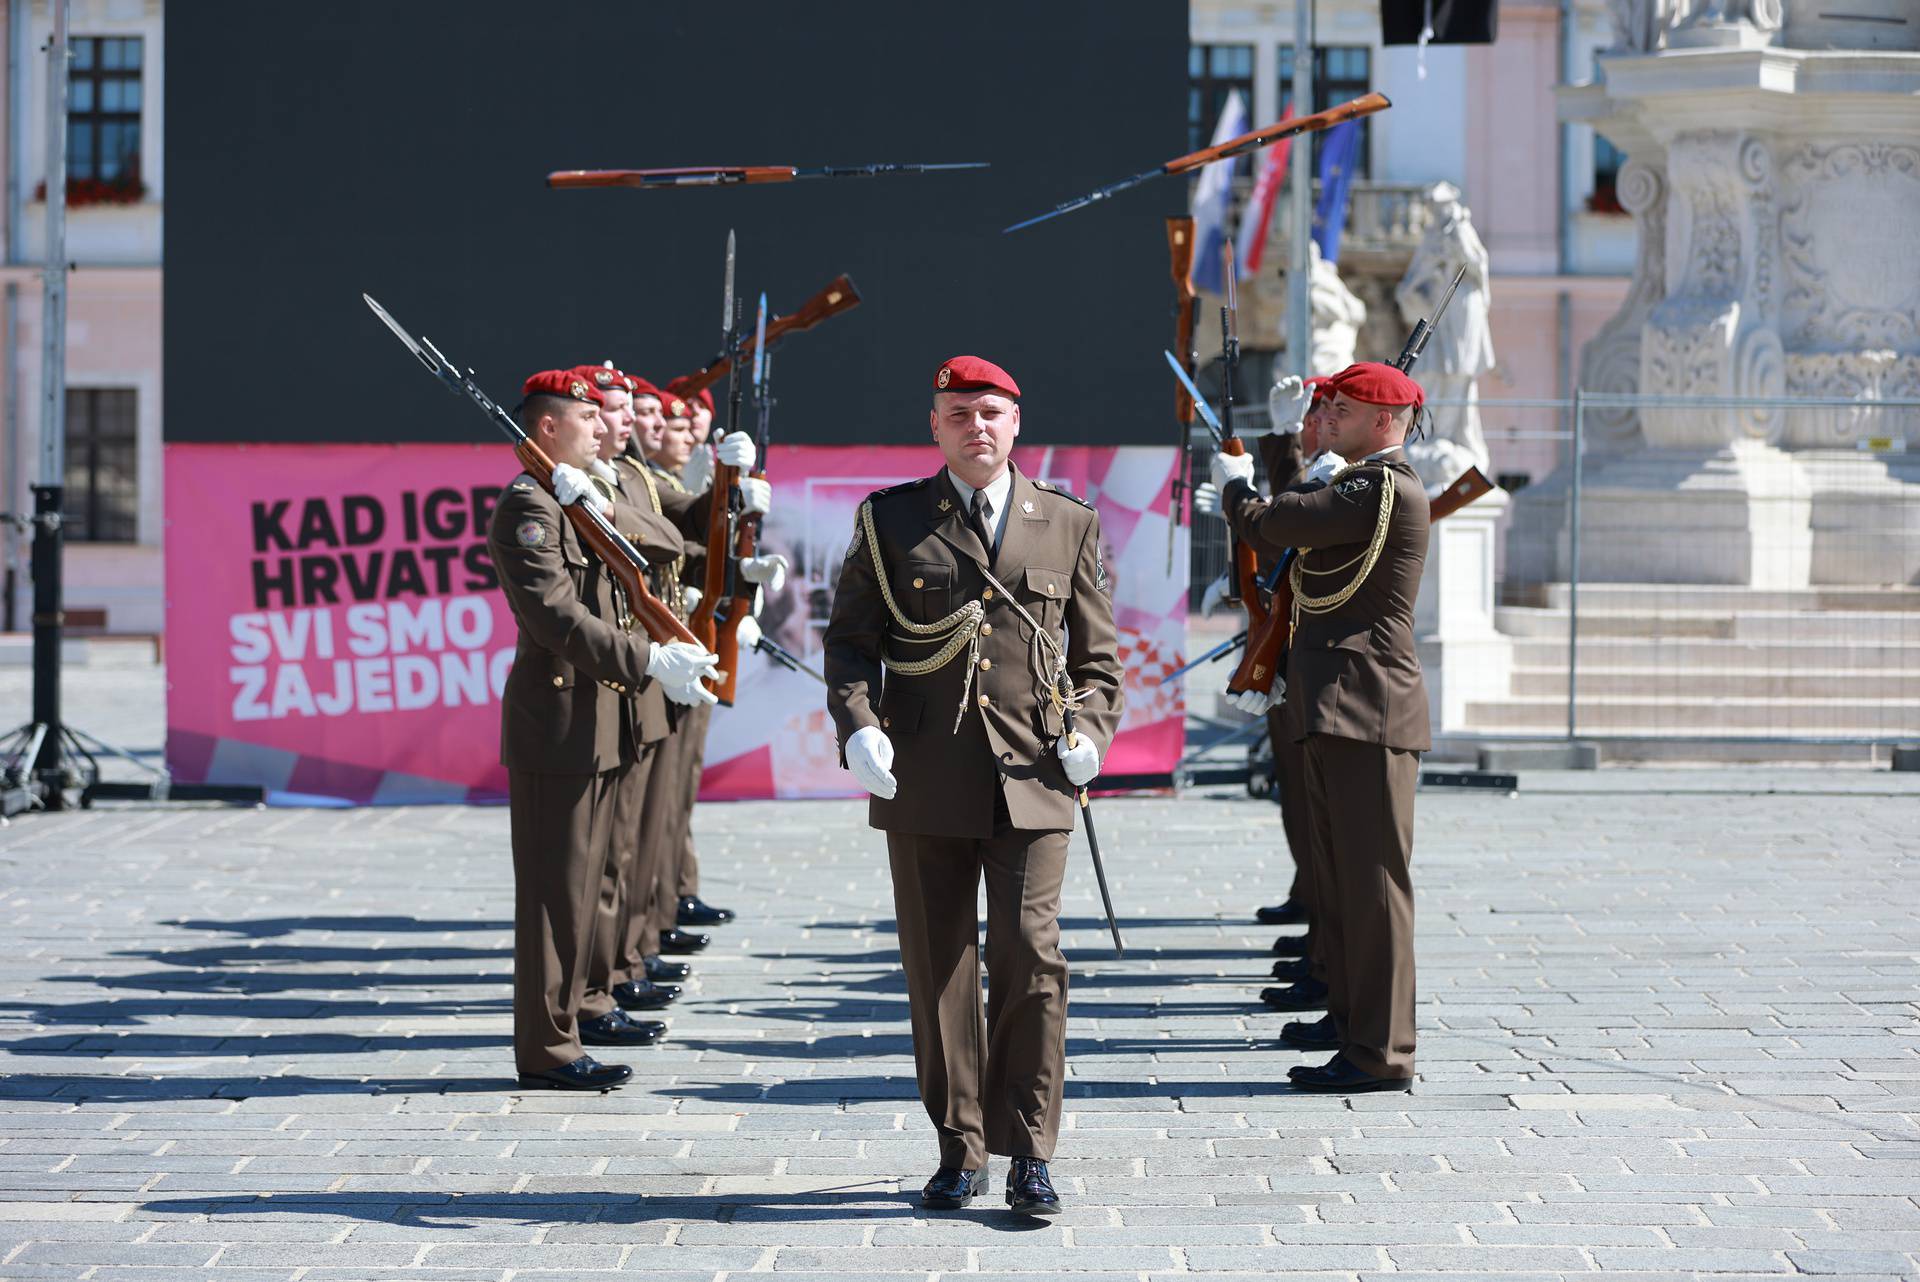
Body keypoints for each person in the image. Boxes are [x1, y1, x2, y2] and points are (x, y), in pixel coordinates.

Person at [824, 356, 1123, 1215]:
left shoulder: (1066, 522)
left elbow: (1099, 658)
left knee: (1032, 958)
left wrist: (1090, 733)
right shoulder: (892, 521)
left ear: (1017, 423)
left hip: (1032, 775)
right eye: (958, 413)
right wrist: (859, 727)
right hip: (923, 775)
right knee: (940, 968)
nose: (976, 427)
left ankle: (1028, 1147)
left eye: (990, 412)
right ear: (935, 425)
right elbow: (850, 644)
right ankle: (960, 1148)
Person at [486, 369, 721, 1091]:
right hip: (559, 723)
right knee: (557, 893)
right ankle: (547, 1047)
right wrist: (648, 658)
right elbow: (555, 617)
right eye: (588, 419)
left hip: (602, 716)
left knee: (591, 883)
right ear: (549, 427)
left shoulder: (583, 496)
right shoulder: (530, 507)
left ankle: (581, 1009)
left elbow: (656, 550)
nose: (604, 430)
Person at [1208, 361, 1431, 1094]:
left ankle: (1382, 1051)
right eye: (1327, 407)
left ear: (1385, 421)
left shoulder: (1378, 485)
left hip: (1365, 705)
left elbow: (1278, 524)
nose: (1326, 418)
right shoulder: (1360, 483)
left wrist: (1238, 480)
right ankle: (1350, 1023)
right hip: (1338, 702)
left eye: (1342, 408)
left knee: (1372, 886)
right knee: (1338, 881)